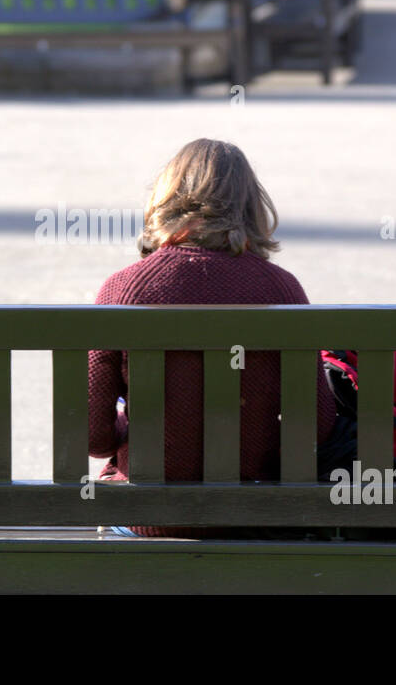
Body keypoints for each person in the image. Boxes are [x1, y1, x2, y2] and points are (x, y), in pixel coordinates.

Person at [88, 139, 339, 539]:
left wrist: (132, 424)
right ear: (251, 207)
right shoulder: (282, 291)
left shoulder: (123, 290)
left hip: (147, 518)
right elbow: (318, 426)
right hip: (256, 516)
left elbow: (93, 437)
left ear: (166, 200)